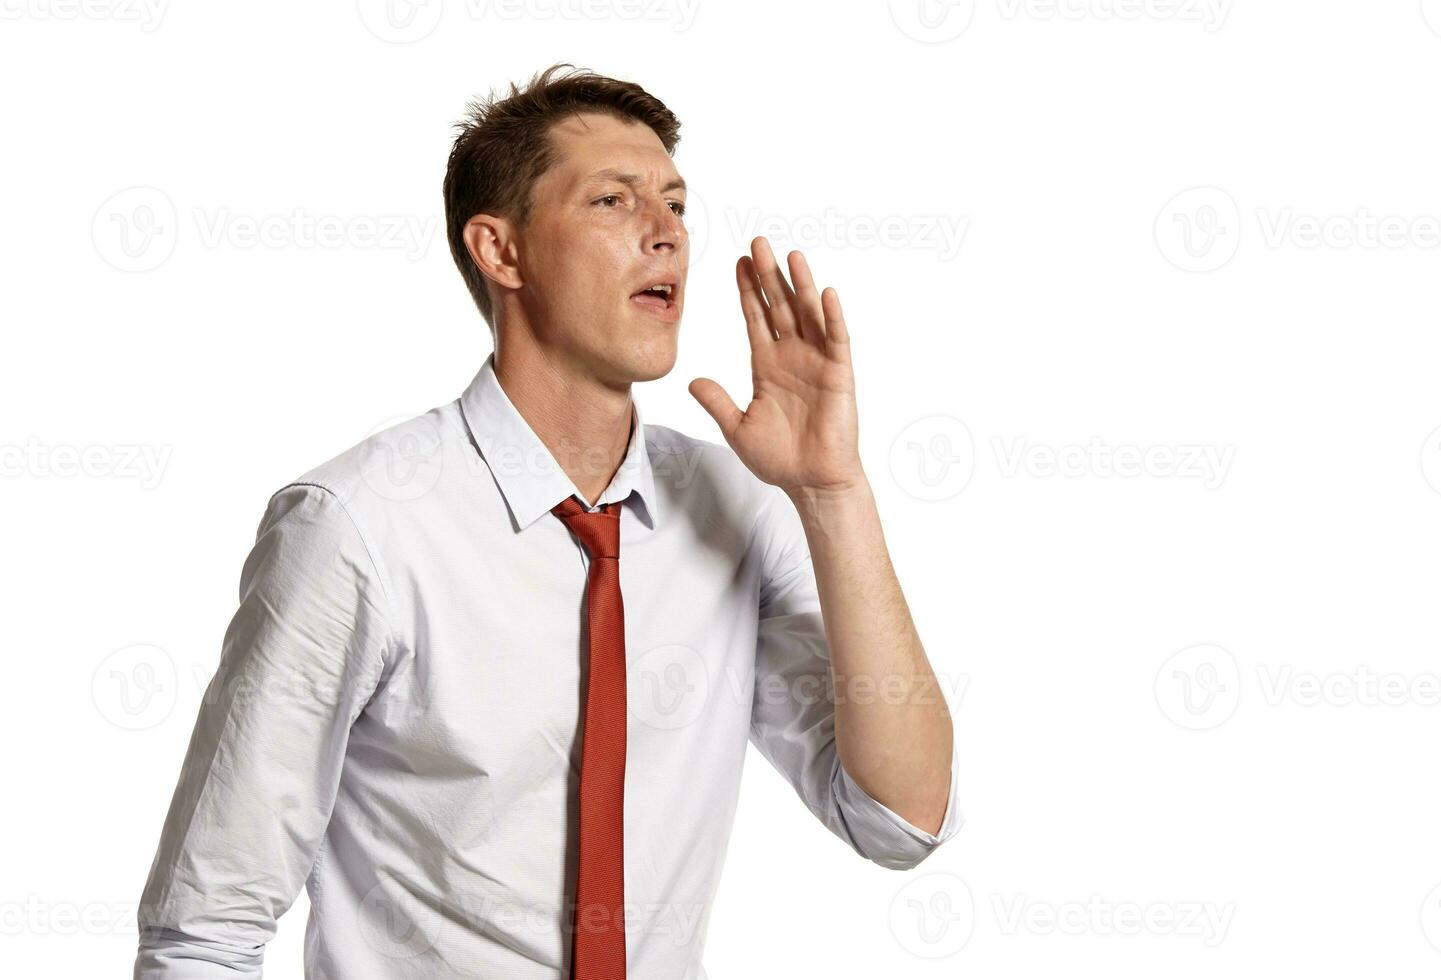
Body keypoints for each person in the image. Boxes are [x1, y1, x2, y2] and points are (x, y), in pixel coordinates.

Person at [133, 63, 962, 979]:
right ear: (502, 252)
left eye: (677, 206)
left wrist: (833, 493)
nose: (667, 235)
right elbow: (204, 932)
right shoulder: (359, 527)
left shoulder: (736, 507)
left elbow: (901, 819)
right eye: (614, 200)